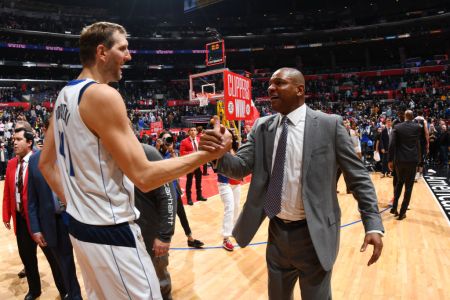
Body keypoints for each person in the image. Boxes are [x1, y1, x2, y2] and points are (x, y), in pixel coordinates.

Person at [39, 22, 230, 299]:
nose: (129, 56)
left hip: (80, 231)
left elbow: (46, 164)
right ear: (102, 52)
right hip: (112, 233)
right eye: (123, 48)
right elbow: (144, 175)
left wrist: (76, 204)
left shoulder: (63, 96)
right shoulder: (103, 95)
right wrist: (207, 155)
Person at [201, 67, 384, 300]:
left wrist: (373, 224)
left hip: (314, 233)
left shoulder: (330, 125)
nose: (270, 88)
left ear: (300, 90)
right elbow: (239, 168)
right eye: (269, 83)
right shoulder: (261, 126)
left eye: (279, 83)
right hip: (277, 234)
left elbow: (359, 178)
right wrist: (217, 154)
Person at [2, 128, 64, 300]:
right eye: (13, 139)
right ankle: (34, 290)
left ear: (29, 142)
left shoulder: (40, 161)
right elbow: (8, 191)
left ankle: (64, 289)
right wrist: (6, 214)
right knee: (28, 259)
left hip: (40, 219)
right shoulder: (11, 164)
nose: (13, 142)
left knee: (53, 258)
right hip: (21, 219)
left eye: (18, 139)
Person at [27, 121, 82, 300]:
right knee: (65, 266)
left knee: (94, 263)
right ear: (45, 130)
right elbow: (32, 199)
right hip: (55, 222)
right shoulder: (35, 160)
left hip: (81, 218)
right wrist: (35, 228)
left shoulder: (77, 154)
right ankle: (75, 297)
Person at [135, 144, 176, 300]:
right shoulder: (112, 155)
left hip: (152, 234)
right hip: (128, 233)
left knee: (160, 281)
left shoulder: (148, 153)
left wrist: (165, 235)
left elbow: (168, 196)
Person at [157, 131, 204, 248]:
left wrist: (172, 152)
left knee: (182, 215)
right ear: (160, 141)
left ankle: (190, 238)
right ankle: (159, 240)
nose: (168, 143)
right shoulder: (157, 153)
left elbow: (178, 167)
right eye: (165, 140)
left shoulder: (172, 153)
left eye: (170, 140)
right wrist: (158, 149)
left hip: (174, 189)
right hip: (162, 191)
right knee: (163, 218)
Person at [388, 110, 421, 220]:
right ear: (412, 117)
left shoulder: (397, 127)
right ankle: (402, 212)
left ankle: (394, 208)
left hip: (399, 160)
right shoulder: (418, 127)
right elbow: (418, 143)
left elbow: (392, 144)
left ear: (405, 116)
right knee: (409, 187)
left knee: (399, 183)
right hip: (412, 160)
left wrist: (390, 160)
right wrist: (420, 160)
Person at [217, 130, 241, 251]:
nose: (229, 139)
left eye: (231, 137)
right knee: (230, 207)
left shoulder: (235, 148)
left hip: (235, 183)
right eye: (227, 137)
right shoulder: (219, 151)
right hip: (224, 183)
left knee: (236, 207)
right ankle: (226, 238)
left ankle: (235, 231)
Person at [180, 127, 207, 205]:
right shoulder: (184, 141)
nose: (193, 131)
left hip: (198, 164)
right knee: (189, 182)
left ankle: (199, 196)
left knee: (199, 182)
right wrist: (192, 153)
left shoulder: (199, 140)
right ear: (189, 133)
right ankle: (189, 198)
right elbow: (182, 153)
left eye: (194, 130)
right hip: (190, 165)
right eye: (191, 130)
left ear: (196, 132)